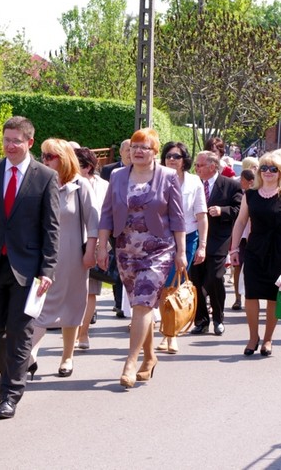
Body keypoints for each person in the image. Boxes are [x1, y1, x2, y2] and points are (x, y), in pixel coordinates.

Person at [0, 116, 60, 420]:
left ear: (29, 142)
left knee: (19, 332)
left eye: (16, 141)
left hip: (28, 269)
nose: (10, 146)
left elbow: (51, 228)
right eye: (6, 140)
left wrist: (47, 270)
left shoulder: (45, 177)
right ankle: (13, 371)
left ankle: (10, 393)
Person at [96, 128, 187, 389]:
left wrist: (181, 252)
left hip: (158, 249)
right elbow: (106, 214)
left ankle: (130, 362)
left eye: (144, 147)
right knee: (140, 305)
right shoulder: (117, 175)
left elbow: (178, 217)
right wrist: (102, 246)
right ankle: (149, 357)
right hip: (125, 248)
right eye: (134, 146)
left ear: (154, 151)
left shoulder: (168, 176)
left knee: (143, 303)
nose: (137, 151)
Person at [29, 139, 98, 378]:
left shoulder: (80, 186)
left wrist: (90, 252)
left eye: (50, 156)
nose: (44, 160)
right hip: (42, 255)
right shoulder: (39, 182)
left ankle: (67, 356)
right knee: (38, 305)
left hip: (72, 256)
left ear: (64, 158)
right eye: (43, 156)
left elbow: (93, 222)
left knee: (71, 305)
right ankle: (29, 355)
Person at [229, 153, 281, 357]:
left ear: (280, 172)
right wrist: (234, 248)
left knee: (273, 296)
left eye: (273, 169)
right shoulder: (250, 195)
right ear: (259, 172)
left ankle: (268, 338)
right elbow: (241, 222)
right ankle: (253, 337)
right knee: (251, 294)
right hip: (254, 249)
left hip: (278, 251)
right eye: (264, 168)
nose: (268, 172)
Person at [155, 141, 207, 354]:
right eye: (168, 156)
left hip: (187, 237)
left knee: (175, 285)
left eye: (176, 156)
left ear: (184, 160)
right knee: (163, 287)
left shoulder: (194, 182)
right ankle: (167, 330)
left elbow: (201, 215)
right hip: (161, 238)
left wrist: (202, 245)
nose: (172, 160)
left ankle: (171, 335)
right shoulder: (156, 178)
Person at [190, 150, 242, 336]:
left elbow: (240, 209)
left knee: (215, 277)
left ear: (213, 166)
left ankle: (218, 318)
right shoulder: (193, 183)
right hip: (195, 237)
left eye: (200, 165)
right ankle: (201, 321)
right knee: (196, 280)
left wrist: (222, 210)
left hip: (218, 239)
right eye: (195, 165)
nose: (196, 168)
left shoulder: (230, 185)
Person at [75, 146, 110, 350]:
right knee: (71, 290)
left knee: (91, 291)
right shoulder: (66, 183)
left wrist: (101, 244)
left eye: (76, 164)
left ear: (87, 167)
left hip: (95, 243)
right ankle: (72, 330)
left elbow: (108, 214)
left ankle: (83, 332)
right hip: (70, 243)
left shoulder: (104, 186)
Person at [100, 138, 131, 317]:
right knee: (118, 263)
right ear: (120, 152)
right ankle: (119, 302)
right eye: (127, 149)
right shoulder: (109, 171)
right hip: (114, 225)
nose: (130, 153)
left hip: (133, 228)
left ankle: (124, 303)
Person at [230, 169, 256, 311]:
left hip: (254, 236)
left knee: (252, 268)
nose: (240, 182)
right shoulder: (239, 193)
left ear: (250, 181)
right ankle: (237, 298)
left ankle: (252, 298)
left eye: (242, 180)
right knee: (238, 267)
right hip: (241, 236)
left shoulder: (257, 194)